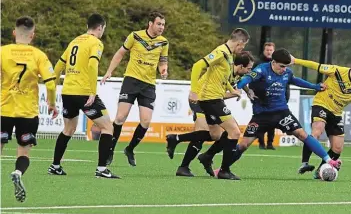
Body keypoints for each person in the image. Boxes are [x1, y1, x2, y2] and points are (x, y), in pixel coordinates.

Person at [199, 48, 341, 176]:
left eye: (286, 66)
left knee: (302, 134)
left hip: (282, 113)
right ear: (273, 62)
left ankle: (329, 160)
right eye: (281, 66)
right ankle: (223, 169)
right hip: (261, 115)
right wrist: (239, 88)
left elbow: (295, 80)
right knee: (243, 145)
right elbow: (246, 78)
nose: (284, 69)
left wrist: (314, 86)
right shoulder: (261, 70)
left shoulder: (287, 72)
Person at [166, 28, 249, 180]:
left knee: (215, 134)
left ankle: (177, 140)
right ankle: (223, 170)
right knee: (234, 132)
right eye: (243, 46)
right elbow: (198, 66)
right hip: (208, 98)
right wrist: (193, 91)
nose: (242, 49)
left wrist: (232, 90)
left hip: (213, 97)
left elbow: (223, 79)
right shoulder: (220, 52)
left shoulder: (229, 56)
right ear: (239, 43)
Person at [48, 14, 120, 179]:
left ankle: (55, 166)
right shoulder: (96, 43)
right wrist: (92, 91)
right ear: (100, 27)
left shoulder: (75, 41)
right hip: (83, 92)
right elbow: (93, 64)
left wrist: (52, 87)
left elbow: (58, 67)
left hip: (67, 92)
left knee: (68, 129)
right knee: (108, 127)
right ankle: (102, 169)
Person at [1, 16, 58, 202]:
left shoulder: (3, 52)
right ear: (33, 35)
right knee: (24, 151)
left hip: (4, 110)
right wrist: (51, 103)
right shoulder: (38, 55)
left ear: (14, 32)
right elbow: (50, 84)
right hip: (27, 112)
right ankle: (18, 172)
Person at [101, 11, 169, 166]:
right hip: (131, 80)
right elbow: (120, 54)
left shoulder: (163, 42)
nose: (161, 27)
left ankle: (130, 149)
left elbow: (163, 61)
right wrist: (109, 71)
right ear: (150, 23)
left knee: (146, 121)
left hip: (148, 84)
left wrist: (163, 70)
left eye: (163, 25)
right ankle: (110, 150)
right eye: (159, 24)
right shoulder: (135, 36)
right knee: (120, 118)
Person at [254, 42, 276, 150]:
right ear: (264, 51)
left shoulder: (277, 64)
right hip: (259, 99)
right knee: (260, 120)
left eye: (271, 50)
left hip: (273, 99)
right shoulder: (258, 63)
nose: (269, 52)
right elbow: (252, 80)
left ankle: (270, 143)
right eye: (267, 50)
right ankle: (261, 142)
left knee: (272, 121)